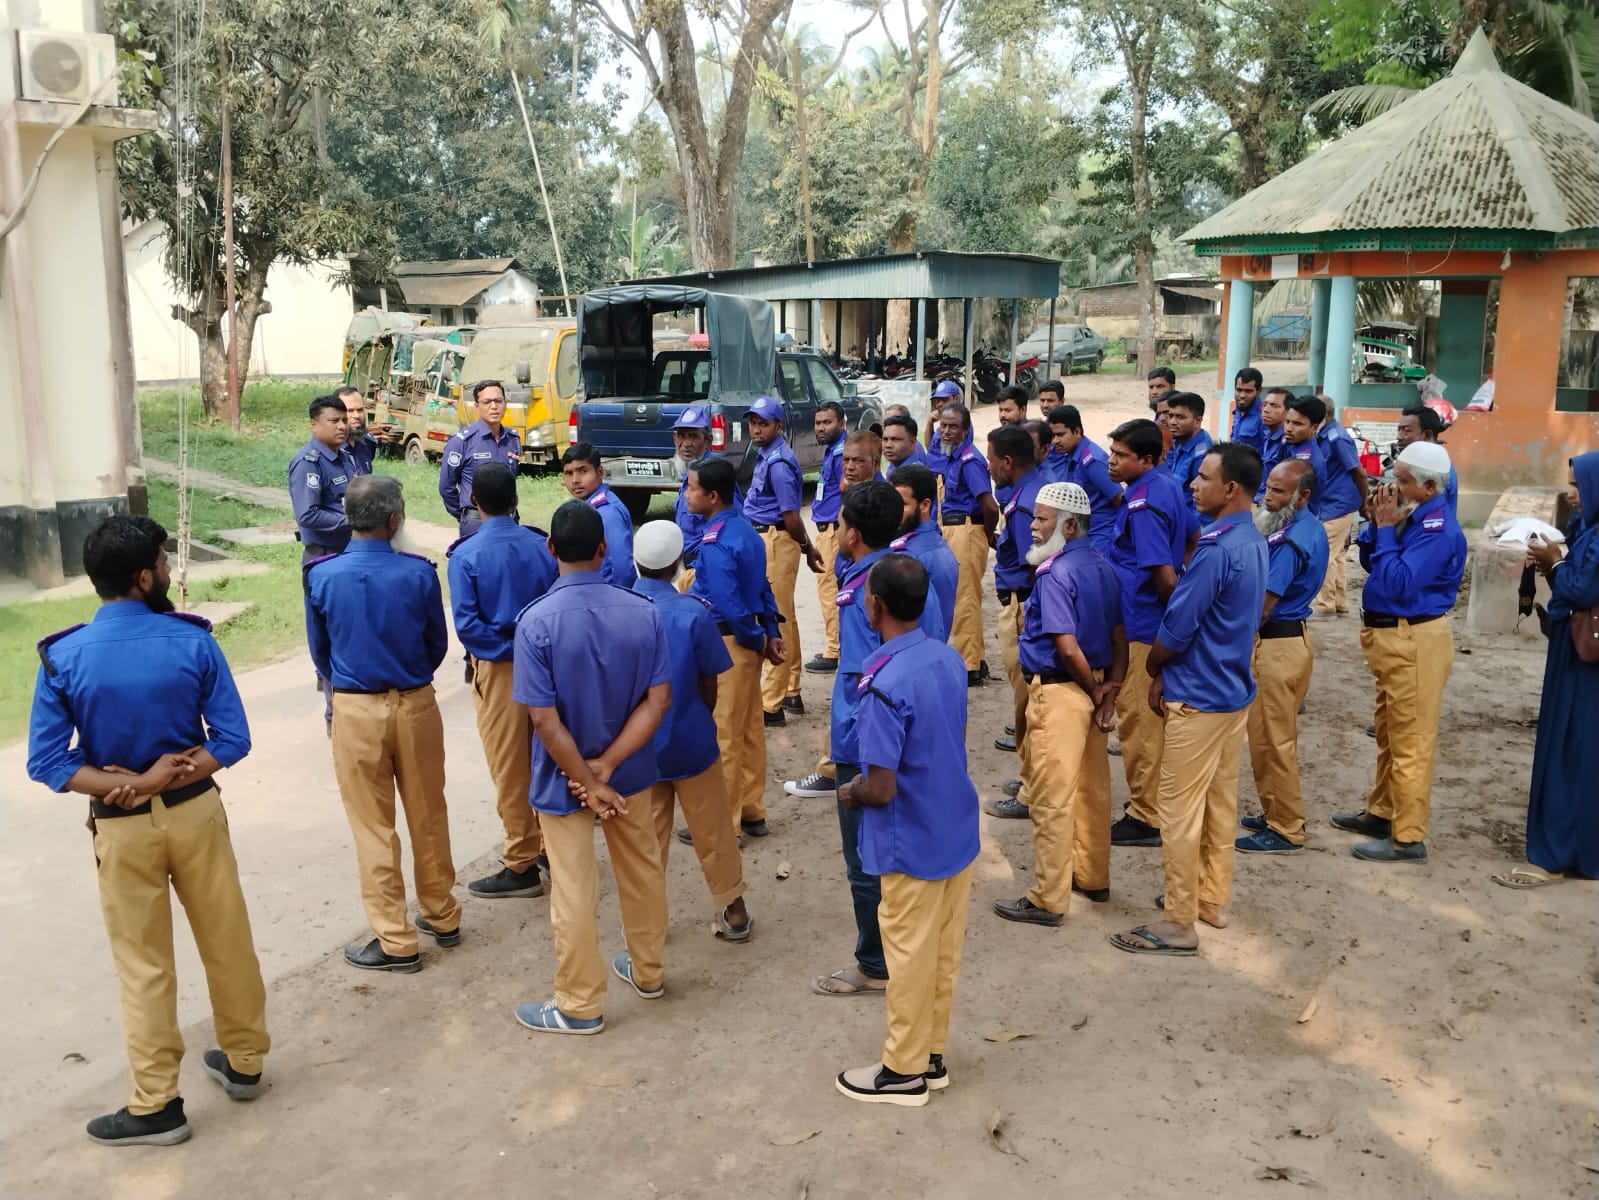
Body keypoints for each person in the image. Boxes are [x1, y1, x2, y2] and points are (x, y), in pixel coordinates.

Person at [26, 515, 268, 1147]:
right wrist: (164, 777)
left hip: (122, 827)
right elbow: (232, 739)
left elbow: (47, 762)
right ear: (142, 578)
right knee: (227, 937)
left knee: (143, 965)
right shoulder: (193, 642)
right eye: (162, 563)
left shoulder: (63, 655)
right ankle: (244, 1061)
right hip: (196, 813)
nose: (168, 570)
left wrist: (127, 783)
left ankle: (157, 1103)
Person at [512, 501, 672, 1035]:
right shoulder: (643, 611)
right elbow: (658, 700)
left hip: (564, 780)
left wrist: (585, 777)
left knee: (574, 888)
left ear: (551, 549)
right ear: (604, 549)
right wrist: (607, 767)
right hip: (628, 773)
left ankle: (580, 1005)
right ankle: (649, 972)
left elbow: (544, 719)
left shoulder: (535, 622)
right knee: (642, 871)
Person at [1111, 443, 1267, 957]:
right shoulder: (1252, 538)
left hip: (1199, 695)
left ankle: (1179, 921)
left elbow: (1178, 626)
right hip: (1231, 691)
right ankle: (1209, 899)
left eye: (1203, 478)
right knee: (1219, 802)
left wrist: (1155, 666)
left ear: (1231, 488)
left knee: (1177, 811)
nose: (1193, 486)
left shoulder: (1217, 548)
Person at [834, 555, 979, 1107]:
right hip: (954, 827)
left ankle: (902, 1070)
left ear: (874, 606)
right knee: (941, 952)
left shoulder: (883, 683)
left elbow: (880, 787)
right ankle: (930, 1054)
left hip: (910, 838)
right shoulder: (946, 657)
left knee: (909, 957)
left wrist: (849, 791)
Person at [304, 475, 458, 973]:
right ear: (394, 520)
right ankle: (442, 914)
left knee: (373, 828)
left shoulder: (321, 576)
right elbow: (437, 645)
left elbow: (321, 654)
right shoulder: (419, 573)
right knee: (428, 814)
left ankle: (395, 940)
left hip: (355, 710)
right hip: (415, 704)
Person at [813, 482, 945, 997]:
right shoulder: (909, 572)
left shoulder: (864, 592)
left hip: (869, 739)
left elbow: (860, 679)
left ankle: (875, 962)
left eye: (840, 523)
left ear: (853, 533)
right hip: (919, 724)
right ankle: (904, 947)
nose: (836, 531)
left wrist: (852, 754)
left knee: (865, 857)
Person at [993, 483, 1125, 925]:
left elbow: (1066, 647)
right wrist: (1109, 690)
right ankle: (1093, 876)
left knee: (1052, 797)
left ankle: (1048, 898)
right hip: (1094, 685)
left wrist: (1093, 691)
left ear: (1068, 526)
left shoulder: (1054, 573)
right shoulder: (1102, 565)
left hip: (1061, 691)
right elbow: (1119, 636)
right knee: (1092, 790)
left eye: (1042, 518)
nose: (1032, 526)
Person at [1333, 441, 1467, 863]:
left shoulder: (1436, 529)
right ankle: (1383, 812)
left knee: (1411, 741)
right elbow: (1374, 564)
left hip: (1414, 641)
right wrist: (1378, 525)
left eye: (1403, 480)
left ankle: (1408, 838)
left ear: (1430, 487)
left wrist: (1388, 528)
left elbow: (1398, 583)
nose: (1393, 486)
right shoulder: (1411, 515)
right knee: (1390, 734)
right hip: (1393, 641)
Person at [631, 521, 752, 939]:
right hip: (691, 738)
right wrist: (699, 717)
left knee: (646, 838)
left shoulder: (620, 612)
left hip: (639, 746)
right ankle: (734, 910)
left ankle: (647, 923)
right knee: (714, 828)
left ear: (635, 561)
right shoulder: (694, 612)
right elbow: (709, 681)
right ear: (679, 565)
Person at [445, 462, 558, 899]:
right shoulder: (541, 545)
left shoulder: (466, 555)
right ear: (514, 499)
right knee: (549, 752)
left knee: (510, 765)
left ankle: (521, 860)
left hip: (501, 669)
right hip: (545, 662)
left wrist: (509, 647)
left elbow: (468, 626)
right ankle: (549, 844)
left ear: (474, 502)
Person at [1495, 452, 1599, 887]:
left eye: (1578, 485)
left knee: (1573, 749)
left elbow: (1582, 589)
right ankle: (1581, 850)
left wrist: (1556, 563)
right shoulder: (1588, 529)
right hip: (1575, 654)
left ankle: (1556, 855)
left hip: (1583, 667)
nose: (1572, 494)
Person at [1104, 418, 1199, 848]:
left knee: (1139, 721)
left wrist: (1177, 623)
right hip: (1144, 617)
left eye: (1120, 455)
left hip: (1141, 623)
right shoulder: (1165, 483)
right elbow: (1192, 535)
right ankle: (1150, 804)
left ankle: (1146, 815)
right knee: (1146, 721)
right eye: (1112, 452)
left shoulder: (1143, 503)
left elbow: (1162, 574)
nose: (1111, 461)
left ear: (1145, 459)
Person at [685, 456, 783, 841]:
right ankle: (752, 811)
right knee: (749, 728)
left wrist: (755, 636)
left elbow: (727, 602)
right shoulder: (746, 530)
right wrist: (769, 630)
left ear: (712, 496)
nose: (686, 494)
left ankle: (725, 824)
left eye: (692, 488)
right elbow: (763, 585)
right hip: (747, 641)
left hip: (728, 641)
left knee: (725, 734)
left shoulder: (715, 542)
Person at [1237, 459, 1329, 855]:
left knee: (1273, 741)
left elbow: (1263, 607)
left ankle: (1286, 827)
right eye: (1268, 488)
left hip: (1276, 645)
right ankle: (1274, 809)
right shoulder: (1301, 527)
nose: (1267, 497)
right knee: (1266, 737)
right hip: (1287, 642)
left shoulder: (1292, 541)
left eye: (1278, 491)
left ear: (1302, 496)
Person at [744, 395, 824, 724]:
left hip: (776, 540)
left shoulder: (778, 464)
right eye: (753, 423)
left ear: (778, 426)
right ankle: (790, 689)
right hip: (765, 538)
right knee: (784, 616)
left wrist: (807, 547)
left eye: (763, 424)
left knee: (775, 618)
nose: (756, 429)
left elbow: (791, 516)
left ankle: (772, 703)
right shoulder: (766, 454)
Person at [928, 402, 1000, 686]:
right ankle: (976, 659)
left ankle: (968, 665)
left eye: (953, 427)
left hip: (967, 530)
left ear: (966, 430)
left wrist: (986, 534)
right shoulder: (953, 456)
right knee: (966, 597)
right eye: (943, 426)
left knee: (964, 599)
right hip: (956, 530)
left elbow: (990, 506)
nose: (946, 431)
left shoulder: (970, 460)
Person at [438, 380, 522, 536]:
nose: (494, 406)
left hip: (509, 521)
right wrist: (464, 515)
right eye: (486, 402)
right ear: (476, 406)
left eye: (498, 401)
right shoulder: (461, 442)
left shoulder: (513, 439)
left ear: (505, 404)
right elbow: (446, 487)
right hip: (476, 523)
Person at [886, 463, 959, 643]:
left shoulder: (907, 556)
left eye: (902, 504)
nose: (893, 511)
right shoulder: (941, 546)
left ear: (925, 505)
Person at [1311, 400, 1370, 617]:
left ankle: (1325, 605)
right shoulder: (1324, 435)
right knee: (1337, 554)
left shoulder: (1338, 438)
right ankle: (1339, 602)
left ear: (1324, 415)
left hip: (1339, 503)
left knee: (1324, 552)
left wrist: (1364, 503)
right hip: (1331, 502)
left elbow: (1359, 472)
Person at [670, 405, 736, 591]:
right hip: (690, 570)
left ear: (708, 441)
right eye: (681, 436)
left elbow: (734, 526)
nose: (686, 443)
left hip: (707, 572)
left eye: (693, 436)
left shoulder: (715, 475)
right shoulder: (689, 472)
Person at [805, 401, 848, 674]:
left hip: (834, 530)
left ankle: (834, 650)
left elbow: (848, 490)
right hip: (827, 529)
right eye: (818, 423)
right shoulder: (833, 449)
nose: (821, 427)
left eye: (827, 422)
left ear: (841, 423)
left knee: (830, 590)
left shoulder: (842, 453)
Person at [289, 394, 357, 561]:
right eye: (334, 421)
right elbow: (308, 515)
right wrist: (354, 521)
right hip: (324, 554)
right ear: (314, 425)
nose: (342, 426)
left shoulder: (344, 457)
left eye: (344, 420)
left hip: (349, 549)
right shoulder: (309, 463)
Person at [1046, 404, 1121, 554]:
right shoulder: (1071, 455)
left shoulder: (1092, 461)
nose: (1055, 441)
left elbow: (1119, 498)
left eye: (1060, 435)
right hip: (1084, 534)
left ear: (1077, 432)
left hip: (1101, 535)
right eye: (1052, 436)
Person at [561, 442, 636, 589]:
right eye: (568, 473)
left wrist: (619, 599)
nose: (575, 480)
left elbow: (623, 569)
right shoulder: (586, 507)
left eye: (582, 471)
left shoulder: (607, 512)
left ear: (599, 472)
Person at [1395, 404, 1459, 512]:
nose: (1399, 437)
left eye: (1406, 430)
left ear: (1427, 435)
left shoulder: (1437, 470)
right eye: (1399, 430)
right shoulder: (1418, 464)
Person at [1162, 393, 1213, 517]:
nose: (1172, 422)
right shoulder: (1180, 441)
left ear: (1197, 421)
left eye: (1180, 417)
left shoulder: (1201, 457)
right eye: (1171, 416)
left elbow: (1205, 506)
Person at [1282, 394, 1328, 508]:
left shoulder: (1308, 461)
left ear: (1314, 427)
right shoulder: (1291, 445)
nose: (1289, 428)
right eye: (1287, 421)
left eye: (1297, 424)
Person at [1255, 387, 1292, 502]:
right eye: (1265, 404)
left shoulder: (1288, 441)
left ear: (1288, 412)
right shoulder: (1268, 436)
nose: (1266, 410)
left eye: (1275, 406)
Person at [338, 385, 382, 475]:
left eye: (360, 410)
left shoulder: (369, 443)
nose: (357, 416)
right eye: (350, 411)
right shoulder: (327, 450)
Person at [1229, 367, 1265, 455]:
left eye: (1248, 391)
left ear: (1259, 391)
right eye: (1239, 390)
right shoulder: (1238, 411)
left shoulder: (1264, 416)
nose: (1242, 395)